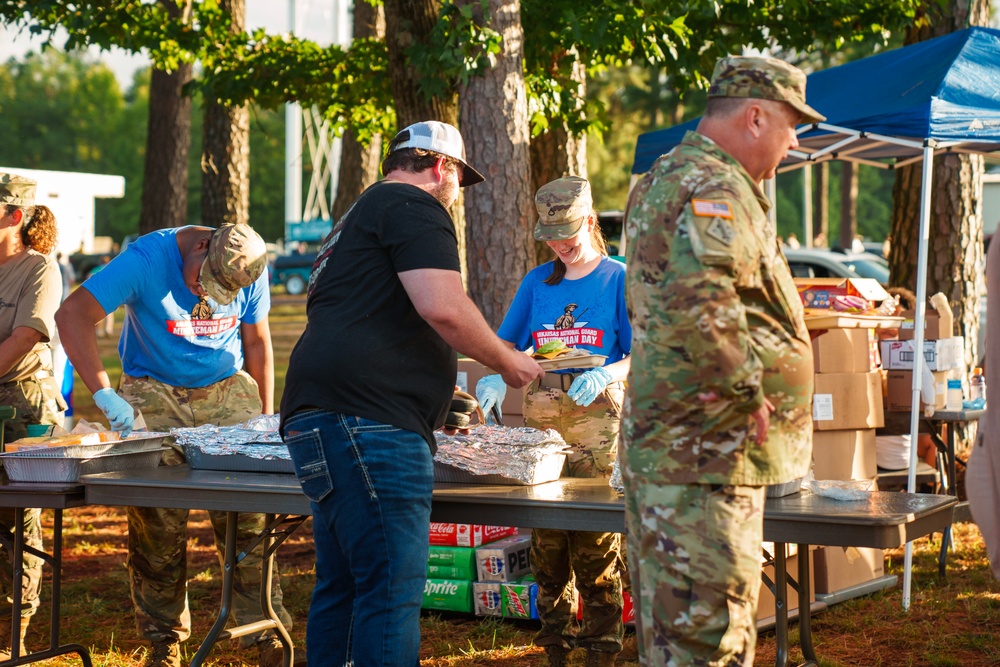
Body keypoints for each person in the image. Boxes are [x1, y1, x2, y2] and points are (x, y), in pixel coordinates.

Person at [279, 120, 543, 667]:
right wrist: (508, 360)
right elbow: (441, 306)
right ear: (441, 167)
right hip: (369, 423)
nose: (456, 195)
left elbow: (364, 319)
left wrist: (433, 392)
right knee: (392, 591)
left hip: (321, 414)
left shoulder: (351, 221)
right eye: (457, 181)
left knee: (344, 584)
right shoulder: (416, 207)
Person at [621, 55, 822, 665]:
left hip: (677, 448)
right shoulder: (716, 185)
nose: (792, 145)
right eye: (792, 127)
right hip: (707, 451)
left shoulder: (664, 176)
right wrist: (744, 393)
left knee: (673, 637)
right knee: (711, 639)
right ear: (755, 116)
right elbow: (703, 291)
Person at [55, 223, 297, 667]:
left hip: (228, 390)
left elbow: (257, 340)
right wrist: (105, 392)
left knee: (249, 517)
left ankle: (264, 630)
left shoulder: (250, 264)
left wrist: (264, 420)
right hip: (154, 392)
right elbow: (72, 314)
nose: (201, 295)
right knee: (156, 521)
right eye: (200, 282)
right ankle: (164, 639)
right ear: (201, 245)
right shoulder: (146, 259)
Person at [475, 176, 631, 667]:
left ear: (589, 220)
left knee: (595, 540)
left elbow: (641, 350)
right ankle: (556, 647)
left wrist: (608, 371)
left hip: (596, 418)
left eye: (568, 232)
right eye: (552, 235)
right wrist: (498, 376)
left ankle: (602, 649)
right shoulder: (537, 282)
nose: (561, 245)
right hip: (543, 417)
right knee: (546, 539)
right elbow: (506, 343)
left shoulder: (617, 277)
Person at [0, 173, 66, 659]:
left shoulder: (39, 269)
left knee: (16, 523)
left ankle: (14, 638)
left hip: (23, 408)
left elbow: (24, 337)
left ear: (14, 217)